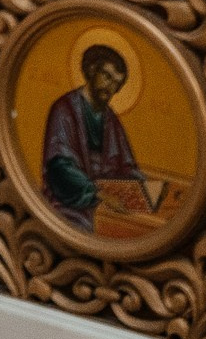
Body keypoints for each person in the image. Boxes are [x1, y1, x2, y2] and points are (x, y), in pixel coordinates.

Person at [41, 44, 149, 230]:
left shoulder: (111, 119)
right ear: (92, 70)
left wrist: (142, 187)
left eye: (117, 84)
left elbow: (126, 165)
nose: (110, 87)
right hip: (69, 204)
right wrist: (98, 194)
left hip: (108, 200)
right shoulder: (64, 109)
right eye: (107, 76)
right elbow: (59, 168)